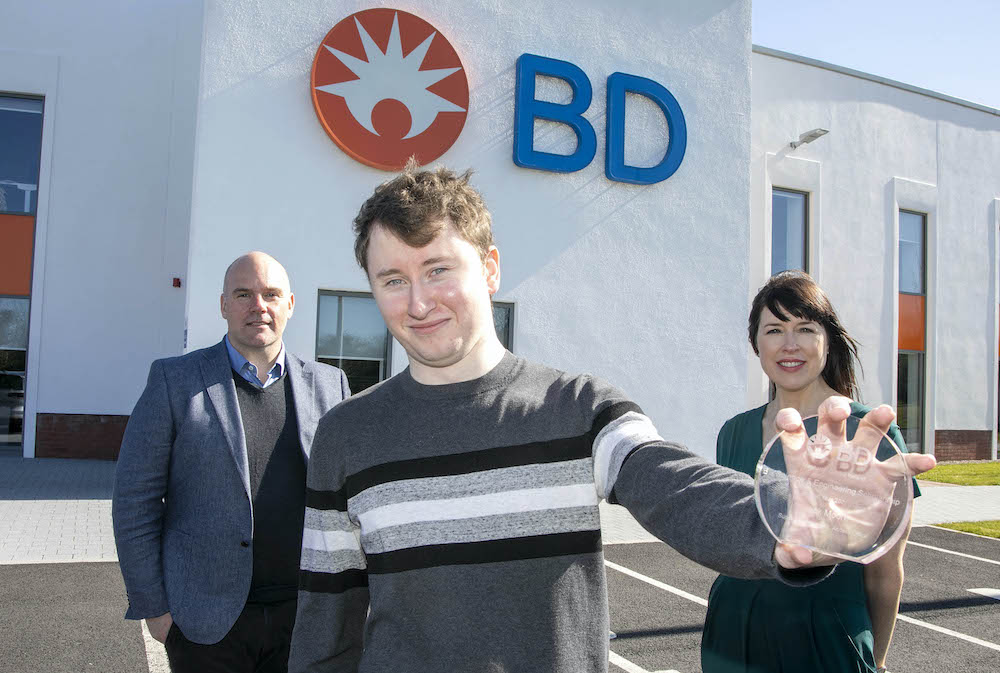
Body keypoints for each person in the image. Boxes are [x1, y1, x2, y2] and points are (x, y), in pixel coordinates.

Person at [287, 166, 933, 673]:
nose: (418, 300)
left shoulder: (577, 408)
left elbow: (677, 486)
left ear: (489, 269)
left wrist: (788, 518)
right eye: (392, 279)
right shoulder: (348, 436)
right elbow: (325, 631)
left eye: (437, 269)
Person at [113, 252, 351, 673]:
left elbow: (346, 503)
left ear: (290, 305)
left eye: (271, 295)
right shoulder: (175, 381)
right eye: (244, 294)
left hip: (303, 617)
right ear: (223, 305)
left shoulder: (330, 385)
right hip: (204, 624)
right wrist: (156, 609)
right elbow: (135, 501)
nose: (258, 306)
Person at [701, 270, 919, 673]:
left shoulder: (869, 432)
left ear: (827, 339)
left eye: (805, 328)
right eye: (774, 329)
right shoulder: (733, 432)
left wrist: (879, 661)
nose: (789, 344)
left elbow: (886, 570)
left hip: (827, 638)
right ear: (755, 343)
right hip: (731, 634)